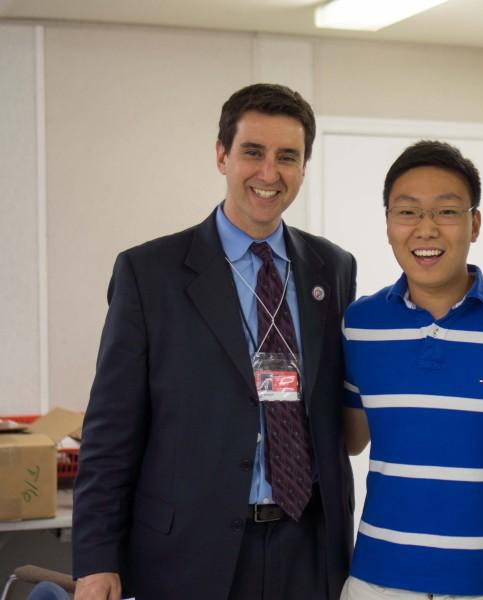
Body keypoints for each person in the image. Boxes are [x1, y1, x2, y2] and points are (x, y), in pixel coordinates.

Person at [72, 83, 357, 600]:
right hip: (189, 554)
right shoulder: (148, 273)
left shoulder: (332, 268)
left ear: (303, 168)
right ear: (222, 155)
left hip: (309, 549)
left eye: (287, 157)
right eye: (253, 152)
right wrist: (96, 561)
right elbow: (110, 432)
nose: (269, 174)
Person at [340, 141, 483, 600]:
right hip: (380, 579)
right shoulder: (359, 324)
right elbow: (351, 439)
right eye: (407, 212)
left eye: (446, 212)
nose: (426, 230)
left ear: (474, 223)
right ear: (387, 223)